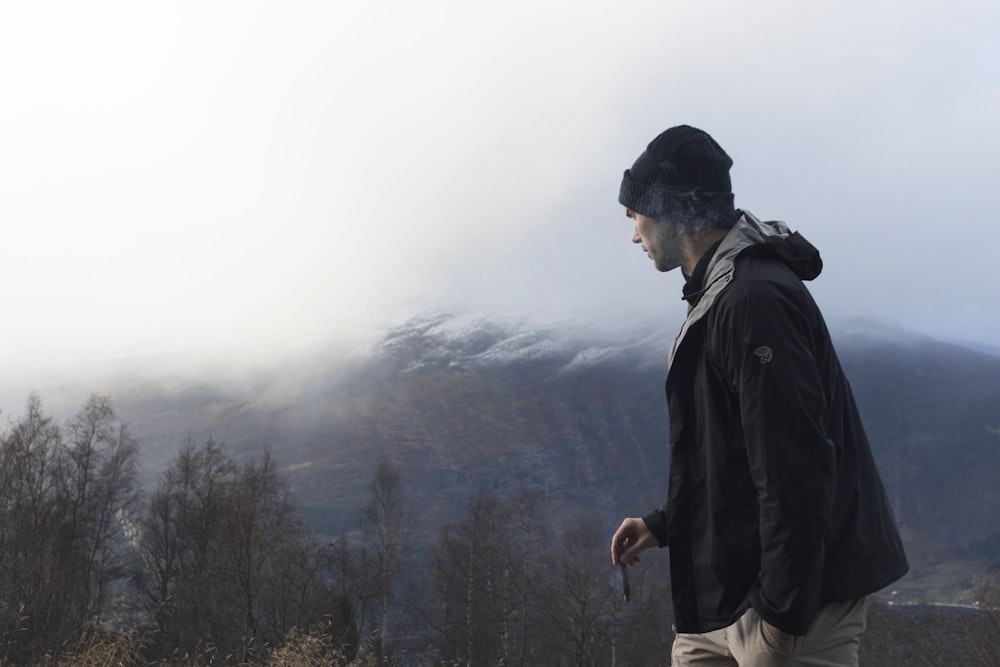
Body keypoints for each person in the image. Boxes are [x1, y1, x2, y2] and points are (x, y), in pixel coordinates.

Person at [609, 125, 908, 667]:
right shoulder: (720, 293)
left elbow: (795, 468)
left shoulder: (754, 301)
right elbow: (733, 455)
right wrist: (663, 523)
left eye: (635, 214)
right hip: (728, 599)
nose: (634, 234)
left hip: (791, 608)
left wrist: (780, 619)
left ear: (672, 209)